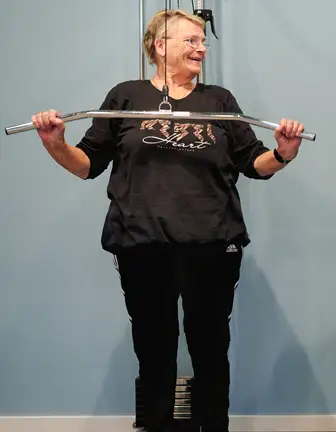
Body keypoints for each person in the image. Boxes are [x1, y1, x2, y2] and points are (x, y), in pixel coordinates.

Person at [30, 9, 306, 432]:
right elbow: (87, 164)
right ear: (160, 46)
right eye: (191, 40)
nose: (201, 48)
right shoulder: (125, 97)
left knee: (210, 349)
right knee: (154, 350)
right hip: (141, 244)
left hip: (212, 244)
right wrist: (55, 144)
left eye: (203, 41)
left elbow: (254, 163)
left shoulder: (219, 102)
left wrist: (283, 153)